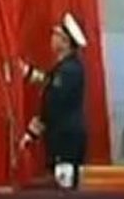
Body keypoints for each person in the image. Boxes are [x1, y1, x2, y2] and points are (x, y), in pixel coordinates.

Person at [18, 12, 87, 186]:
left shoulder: (69, 70)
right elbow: (48, 79)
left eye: (56, 34)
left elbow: (53, 101)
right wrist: (27, 72)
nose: (52, 38)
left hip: (66, 139)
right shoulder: (65, 67)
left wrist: (34, 130)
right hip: (61, 136)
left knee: (64, 189)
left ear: (65, 42)